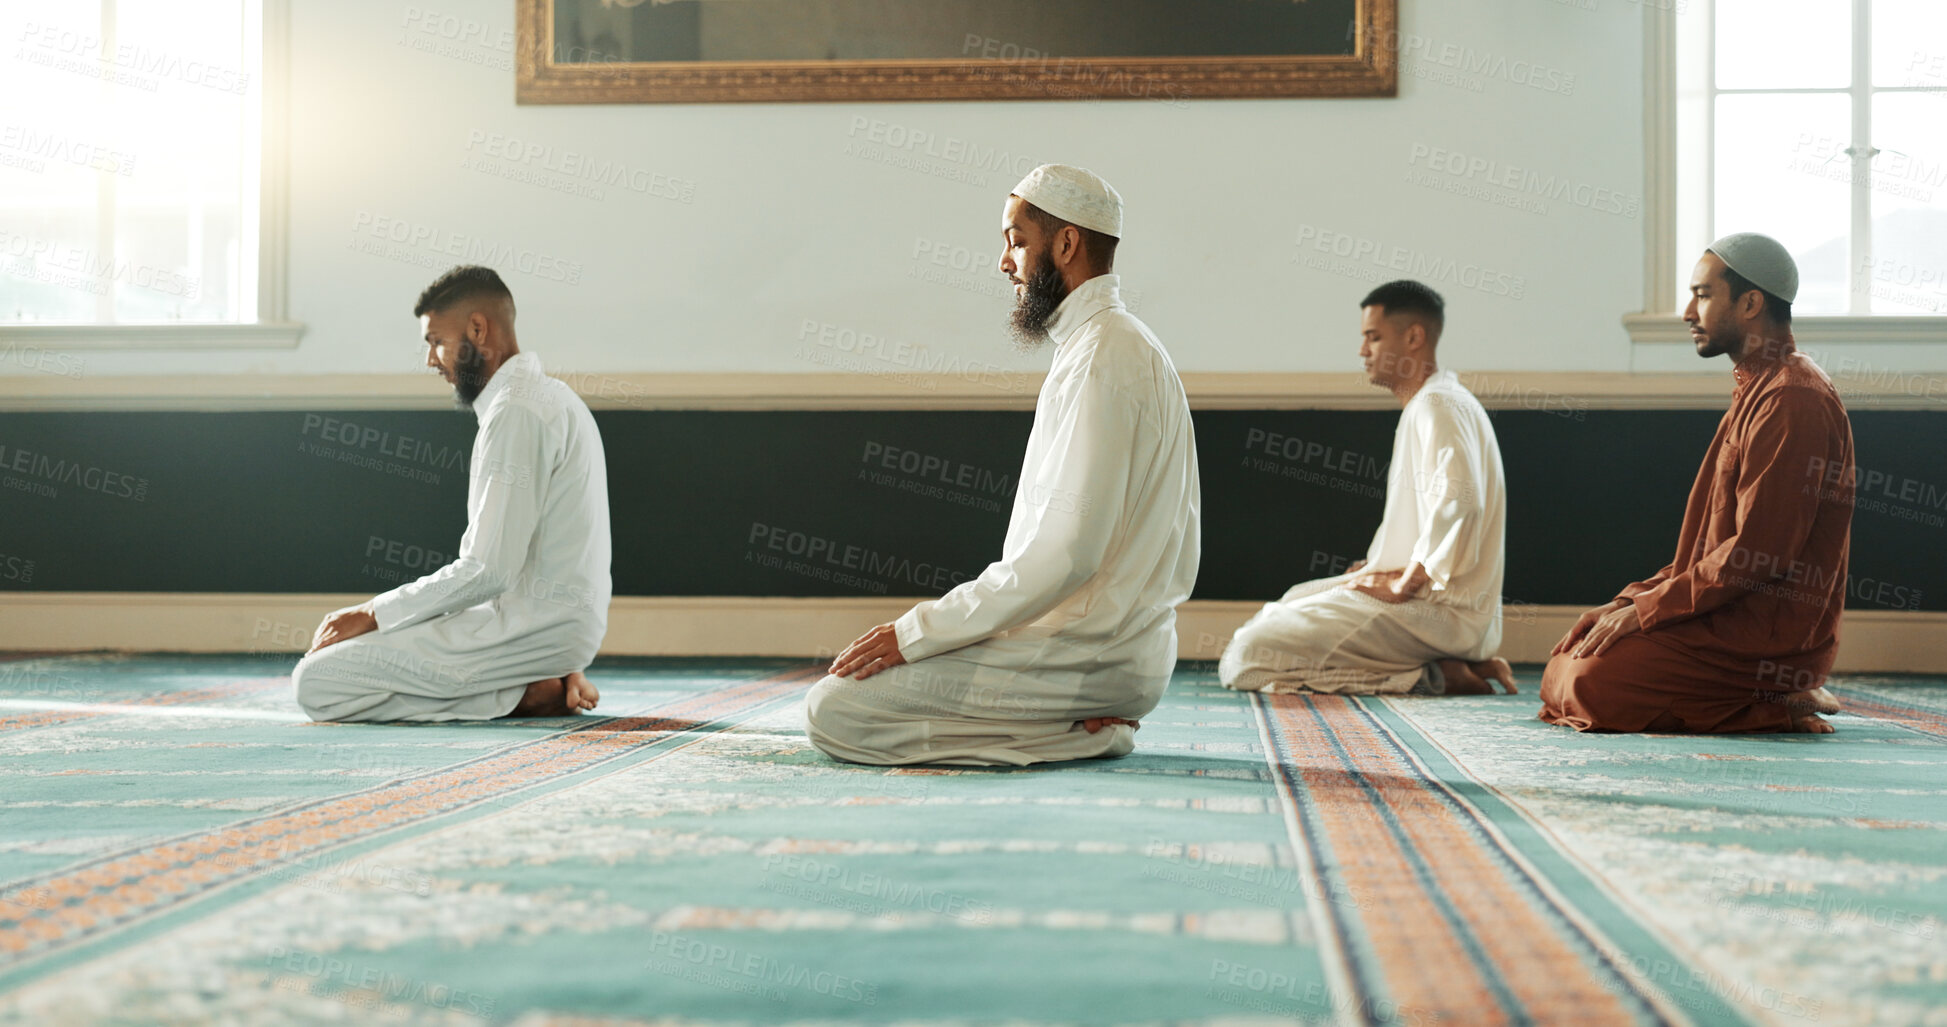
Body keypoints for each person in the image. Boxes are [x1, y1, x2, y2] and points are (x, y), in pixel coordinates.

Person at [805, 164, 1201, 766]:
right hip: (1094, 649)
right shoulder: (1105, 345)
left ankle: (1085, 729)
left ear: (1066, 244)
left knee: (834, 711)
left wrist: (917, 631)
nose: (1004, 263)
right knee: (852, 696)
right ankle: (1072, 724)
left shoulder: (1106, 355)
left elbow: (1067, 554)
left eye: (1016, 241)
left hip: (1088, 653)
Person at [1543, 233, 1855, 734]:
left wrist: (1647, 612)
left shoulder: (1793, 399)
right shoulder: (1759, 387)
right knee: (1566, 661)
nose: (1689, 311)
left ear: (1750, 303)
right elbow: (1706, 552)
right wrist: (1629, 602)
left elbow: (1760, 555)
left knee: (1587, 683)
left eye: (1703, 295)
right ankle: (1767, 698)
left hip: (1763, 635)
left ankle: (1776, 698)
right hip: (1723, 613)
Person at [293, 265, 611, 721]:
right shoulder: (547, 397)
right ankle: (536, 679)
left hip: (532, 628)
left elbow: (488, 570)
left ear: (477, 329)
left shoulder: (517, 411)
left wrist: (374, 612)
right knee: (354, 658)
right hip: (548, 628)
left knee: (317, 682)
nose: (430, 360)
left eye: (435, 341)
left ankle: (528, 693)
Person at [1219, 281, 1514, 697]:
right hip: (1431, 608)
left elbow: (1460, 501)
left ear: (1413, 337)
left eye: (1373, 338)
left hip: (1438, 613)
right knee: (1287, 603)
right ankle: (1446, 666)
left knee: (1247, 657)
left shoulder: (1438, 405)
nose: (1363, 351)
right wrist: (1381, 564)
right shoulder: (1437, 402)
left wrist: (1403, 583)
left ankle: (1433, 676)